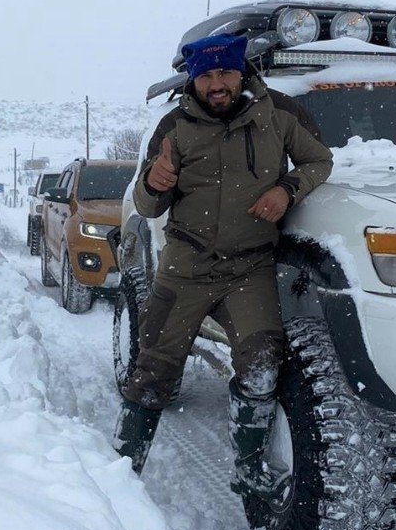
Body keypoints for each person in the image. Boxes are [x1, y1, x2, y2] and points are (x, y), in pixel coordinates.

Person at [113, 33, 333, 499]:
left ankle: (250, 471)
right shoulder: (173, 127)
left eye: (225, 73)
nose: (217, 84)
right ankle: (120, 477)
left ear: (241, 73)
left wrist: (287, 190)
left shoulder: (279, 113)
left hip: (249, 268)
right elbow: (147, 206)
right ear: (193, 81)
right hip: (184, 267)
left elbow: (320, 160)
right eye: (207, 76)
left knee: (262, 367)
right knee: (153, 370)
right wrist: (154, 183)